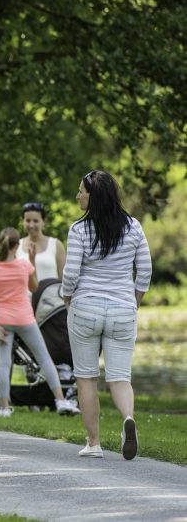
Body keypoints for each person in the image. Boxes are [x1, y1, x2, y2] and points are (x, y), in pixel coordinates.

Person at [62, 170, 152, 460]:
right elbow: (145, 271)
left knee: (86, 377)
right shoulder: (134, 227)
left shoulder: (79, 230)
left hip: (85, 307)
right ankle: (127, 418)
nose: (78, 196)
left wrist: (67, 299)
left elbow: (71, 272)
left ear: (94, 196)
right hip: (123, 308)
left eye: (81, 191)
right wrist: (134, 302)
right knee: (119, 377)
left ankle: (94, 443)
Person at [0, 227, 80, 417]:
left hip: (3, 320)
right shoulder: (24, 265)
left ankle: (5, 407)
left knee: (4, 365)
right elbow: (34, 286)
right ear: (17, 246)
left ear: (0, 244)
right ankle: (61, 400)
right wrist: (31, 261)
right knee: (44, 358)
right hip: (25, 318)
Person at [17, 202, 66, 280]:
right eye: (28, 220)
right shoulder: (17, 245)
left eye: (36, 221)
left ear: (43, 222)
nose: (31, 225)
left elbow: (64, 279)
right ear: (23, 221)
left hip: (52, 292)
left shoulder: (56, 245)